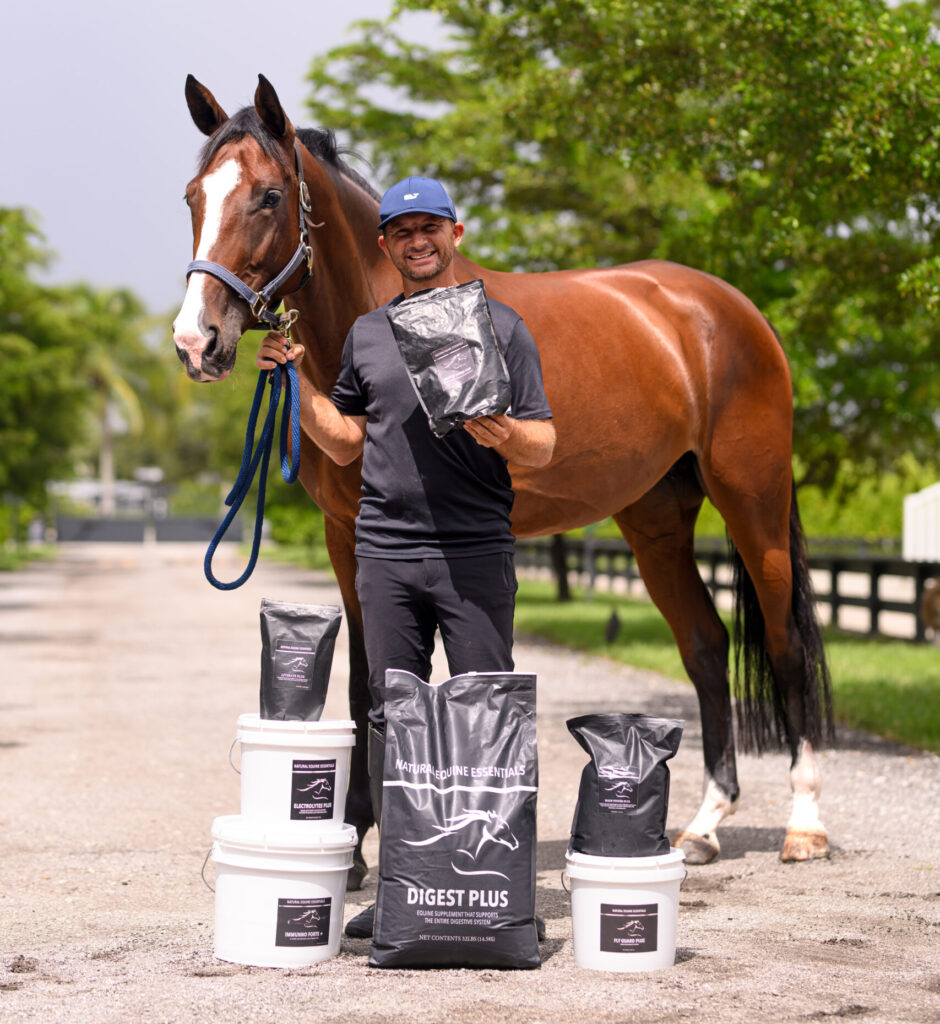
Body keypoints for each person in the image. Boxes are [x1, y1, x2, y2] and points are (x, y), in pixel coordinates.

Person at [257, 176, 555, 938]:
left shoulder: (504, 328)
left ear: (456, 234)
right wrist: (296, 384)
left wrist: (506, 435)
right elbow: (350, 441)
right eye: (402, 231)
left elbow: (546, 446)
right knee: (392, 717)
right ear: (385, 245)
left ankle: (487, 890)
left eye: (431, 227)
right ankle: (405, 886)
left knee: (483, 715)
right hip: (386, 550)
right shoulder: (365, 335)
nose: (418, 241)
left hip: (475, 552)